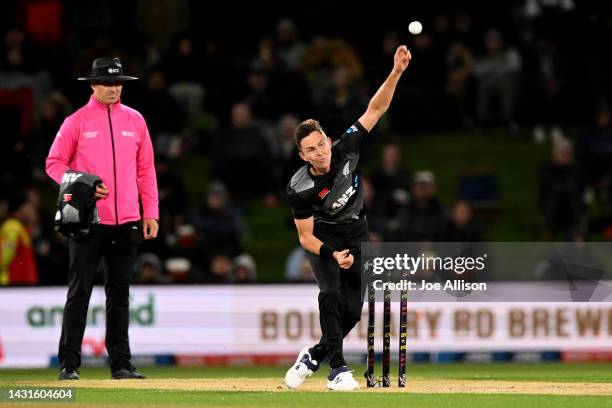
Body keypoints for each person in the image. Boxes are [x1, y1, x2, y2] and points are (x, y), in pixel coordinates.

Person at [284, 45, 411, 391]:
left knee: (353, 311)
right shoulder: (300, 187)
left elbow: (376, 108)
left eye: (321, 144)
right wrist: (331, 254)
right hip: (324, 239)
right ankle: (337, 369)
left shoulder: (346, 147)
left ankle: (313, 355)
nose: (320, 152)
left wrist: (397, 71)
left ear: (327, 139)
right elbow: (305, 238)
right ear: (302, 155)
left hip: (357, 233)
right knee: (330, 292)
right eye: (311, 150)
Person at [45, 57, 159, 380]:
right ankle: (69, 364)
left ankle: (121, 364)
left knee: (119, 295)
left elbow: (146, 170)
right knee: (79, 292)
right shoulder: (75, 122)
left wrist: (150, 212)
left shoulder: (136, 121)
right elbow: (53, 163)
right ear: (93, 85)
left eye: (118, 82)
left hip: (128, 220)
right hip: (87, 221)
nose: (114, 88)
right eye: (108, 83)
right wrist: (81, 183)